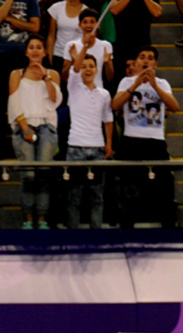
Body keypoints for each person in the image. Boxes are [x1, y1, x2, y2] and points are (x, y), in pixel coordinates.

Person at [111, 45, 178, 227]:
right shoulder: (126, 82)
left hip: (155, 141)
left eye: (150, 58)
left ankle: (168, 227)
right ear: (137, 62)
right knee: (129, 187)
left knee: (163, 186)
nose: (146, 61)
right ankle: (126, 227)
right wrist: (135, 85)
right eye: (142, 57)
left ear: (155, 63)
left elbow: (175, 106)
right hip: (131, 140)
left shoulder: (163, 84)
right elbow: (115, 105)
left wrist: (154, 85)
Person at [8, 36, 61, 229]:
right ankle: (28, 219)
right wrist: (25, 129)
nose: (35, 51)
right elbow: (13, 103)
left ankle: (42, 218)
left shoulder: (53, 74)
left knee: (44, 174)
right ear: (26, 52)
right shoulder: (17, 74)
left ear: (45, 52)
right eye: (31, 47)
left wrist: (45, 76)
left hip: (47, 128)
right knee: (28, 175)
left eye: (39, 47)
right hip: (24, 126)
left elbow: (55, 100)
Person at [65, 52, 112, 227]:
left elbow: (108, 120)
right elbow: (75, 68)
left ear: (97, 69)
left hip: (98, 149)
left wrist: (108, 144)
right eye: (84, 66)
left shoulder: (104, 94)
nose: (87, 70)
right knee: (74, 197)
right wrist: (84, 45)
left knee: (97, 197)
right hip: (76, 148)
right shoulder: (74, 87)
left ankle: (96, 236)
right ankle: (73, 238)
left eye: (91, 66)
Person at [62, 7, 113, 85]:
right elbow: (64, 78)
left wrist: (107, 64)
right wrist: (73, 62)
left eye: (92, 22)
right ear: (80, 25)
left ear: (98, 25)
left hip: (97, 90)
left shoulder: (106, 45)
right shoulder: (71, 45)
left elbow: (110, 77)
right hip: (76, 91)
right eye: (85, 22)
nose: (88, 25)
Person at [111, 0, 163, 77]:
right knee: (120, 78)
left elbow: (157, 12)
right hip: (122, 44)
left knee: (143, 77)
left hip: (143, 44)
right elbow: (114, 10)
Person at [46, 0, 85, 74]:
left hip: (76, 56)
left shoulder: (85, 11)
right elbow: (51, 35)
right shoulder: (56, 8)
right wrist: (49, 57)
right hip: (58, 54)